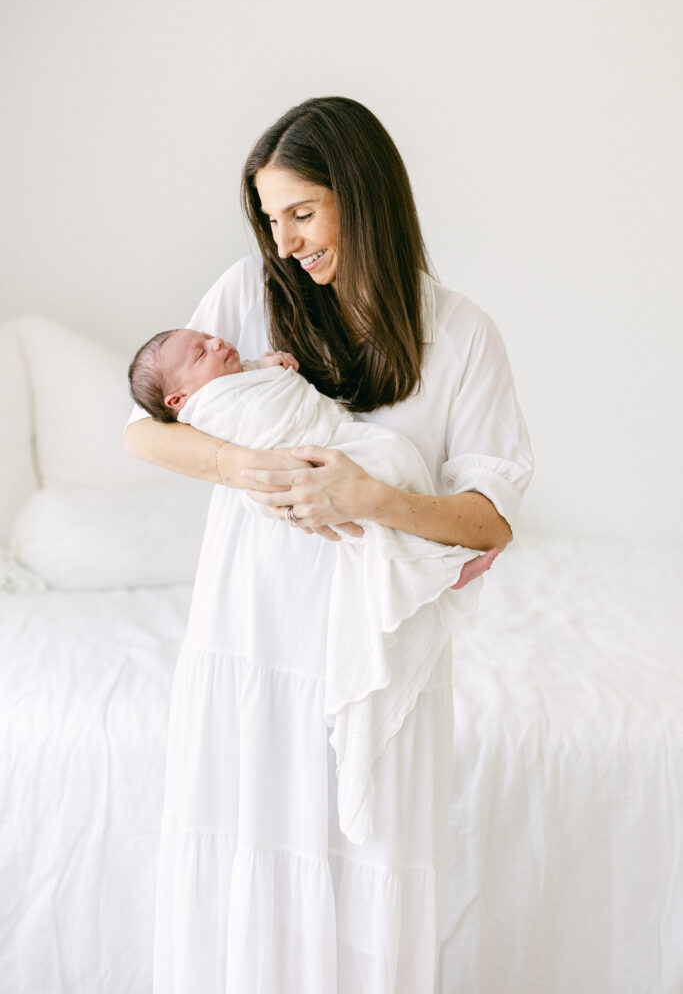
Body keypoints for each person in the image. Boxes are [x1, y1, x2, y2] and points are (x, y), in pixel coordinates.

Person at [125, 97, 534, 994]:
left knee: (366, 883)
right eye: (272, 220)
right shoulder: (244, 294)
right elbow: (147, 432)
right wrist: (245, 466)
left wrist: (372, 496)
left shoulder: (461, 334)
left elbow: (490, 518)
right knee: (248, 871)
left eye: (303, 213)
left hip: (378, 661)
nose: (286, 244)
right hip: (252, 640)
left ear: (364, 195)